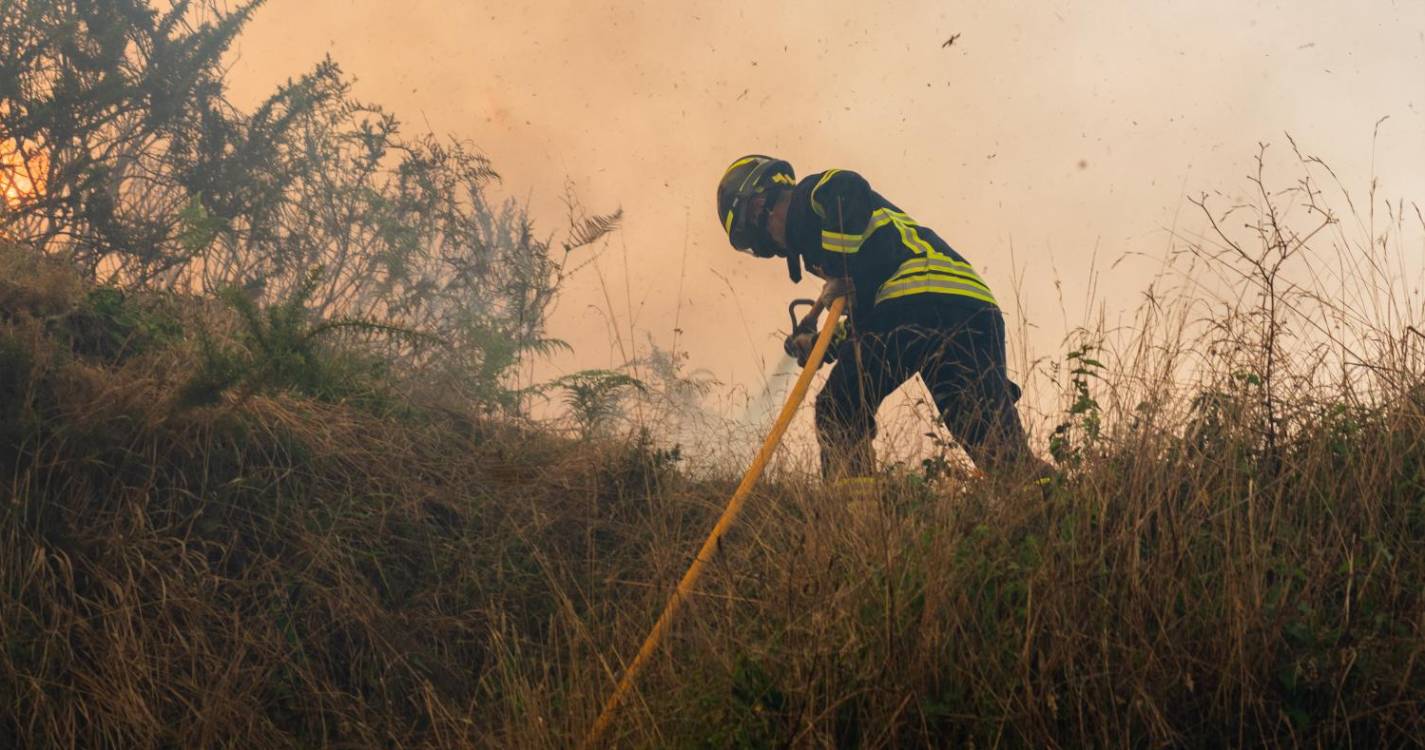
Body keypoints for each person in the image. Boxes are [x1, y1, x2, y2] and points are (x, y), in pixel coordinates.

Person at [716, 154, 1052, 482]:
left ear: (760, 205)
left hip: (916, 300)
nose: (774, 243)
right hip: (969, 305)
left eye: (763, 235)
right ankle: (1062, 508)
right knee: (991, 440)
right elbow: (869, 319)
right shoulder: (836, 246)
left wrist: (836, 261)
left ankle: (854, 515)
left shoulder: (811, 196)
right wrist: (824, 346)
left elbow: (848, 186)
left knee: (839, 410)